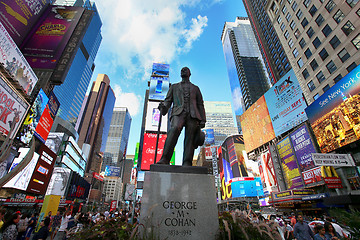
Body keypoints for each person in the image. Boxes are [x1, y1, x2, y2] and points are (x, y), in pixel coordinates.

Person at [156, 67, 206, 166]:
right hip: (178, 113)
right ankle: (165, 159)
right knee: (174, 130)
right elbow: (167, 101)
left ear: (189, 73)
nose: (183, 71)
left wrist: (203, 119)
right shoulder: (174, 87)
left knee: (190, 137)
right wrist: (163, 107)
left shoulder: (195, 88)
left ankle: (187, 161)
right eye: (182, 70)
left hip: (193, 114)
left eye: (185, 70)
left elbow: (200, 104)